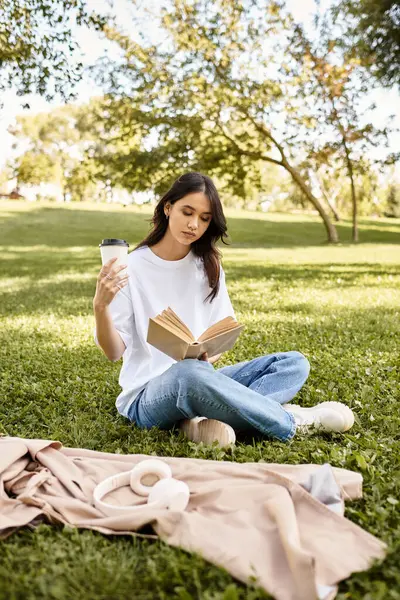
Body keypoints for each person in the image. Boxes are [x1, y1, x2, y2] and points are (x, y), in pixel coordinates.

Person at [93, 172, 354, 447]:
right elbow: (113, 352)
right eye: (187, 212)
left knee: (292, 364)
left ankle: (195, 423)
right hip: (146, 396)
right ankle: (290, 422)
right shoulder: (129, 267)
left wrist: (208, 355)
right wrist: (100, 306)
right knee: (188, 374)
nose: (194, 224)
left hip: (200, 378)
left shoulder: (208, 266)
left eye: (204, 218)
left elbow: (219, 338)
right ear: (168, 207)